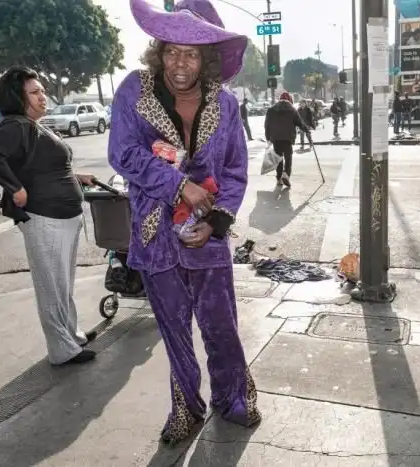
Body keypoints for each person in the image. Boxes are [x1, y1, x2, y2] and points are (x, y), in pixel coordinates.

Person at [110, 0, 260, 443]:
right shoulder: (134, 91)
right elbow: (123, 153)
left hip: (208, 236)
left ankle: (233, 397)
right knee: (174, 330)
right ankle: (186, 408)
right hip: (155, 236)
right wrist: (179, 186)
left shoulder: (225, 104)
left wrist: (215, 222)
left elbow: (234, 170)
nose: (179, 63)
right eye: (171, 51)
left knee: (221, 325)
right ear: (159, 51)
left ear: (206, 57)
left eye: (190, 54)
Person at [0, 66, 98, 365]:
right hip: (46, 218)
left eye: (42, 91)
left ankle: (71, 335)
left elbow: (43, 166)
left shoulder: (34, 125)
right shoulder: (16, 125)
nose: (43, 96)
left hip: (62, 216)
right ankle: (62, 350)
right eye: (34, 92)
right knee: (51, 287)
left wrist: (77, 177)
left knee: (62, 283)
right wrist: (15, 188)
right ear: (17, 98)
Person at [264, 91, 309, 187]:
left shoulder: (271, 109)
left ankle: (279, 178)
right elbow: (300, 123)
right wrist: (307, 130)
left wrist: (268, 138)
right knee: (288, 158)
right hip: (288, 138)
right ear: (290, 100)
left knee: (278, 158)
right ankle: (286, 174)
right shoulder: (292, 109)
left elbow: (267, 125)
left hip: (276, 138)